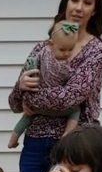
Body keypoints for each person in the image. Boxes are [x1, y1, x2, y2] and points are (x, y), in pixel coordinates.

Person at [9, 0, 102, 172]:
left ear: (94, 10)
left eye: (87, 2)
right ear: (66, 2)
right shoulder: (43, 47)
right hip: (34, 144)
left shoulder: (96, 51)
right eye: (75, 0)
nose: (79, 7)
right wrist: (21, 86)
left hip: (72, 147)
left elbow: (70, 98)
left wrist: (32, 98)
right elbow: (14, 103)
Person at [8, 21, 81, 150]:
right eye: (63, 50)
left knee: (26, 117)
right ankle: (67, 133)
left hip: (36, 107)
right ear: (51, 44)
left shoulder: (39, 55)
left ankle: (13, 139)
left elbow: (29, 76)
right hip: (61, 111)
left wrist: (28, 98)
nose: (66, 53)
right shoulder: (65, 64)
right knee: (76, 111)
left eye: (70, 49)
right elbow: (71, 89)